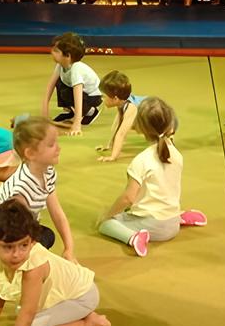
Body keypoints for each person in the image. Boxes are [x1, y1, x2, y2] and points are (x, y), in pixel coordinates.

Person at [96, 97, 206, 257]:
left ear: (140, 128)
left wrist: (107, 214)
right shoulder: (175, 153)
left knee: (105, 224)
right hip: (172, 222)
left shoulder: (141, 160)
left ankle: (133, 237)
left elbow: (128, 198)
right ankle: (180, 217)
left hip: (154, 226)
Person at [0, 116, 77, 284]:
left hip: (19, 228)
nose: (59, 148)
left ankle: (7, 264)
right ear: (30, 153)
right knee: (37, 250)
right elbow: (7, 233)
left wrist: (69, 249)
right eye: (51, 145)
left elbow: (57, 212)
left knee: (47, 237)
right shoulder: (21, 188)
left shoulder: (47, 171)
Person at [41, 32, 102, 136]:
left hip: (92, 97)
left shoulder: (76, 69)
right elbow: (49, 87)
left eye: (56, 51)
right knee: (60, 83)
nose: (52, 52)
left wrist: (76, 124)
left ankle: (90, 111)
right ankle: (74, 112)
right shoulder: (61, 65)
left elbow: (77, 95)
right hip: (80, 92)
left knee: (67, 92)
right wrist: (44, 114)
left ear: (68, 56)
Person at [95, 71, 145, 163]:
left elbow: (122, 133)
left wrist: (113, 156)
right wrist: (110, 145)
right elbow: (117, 125)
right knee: (130, 123)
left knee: (132, 125)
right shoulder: (122, 103)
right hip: (150, 120)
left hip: (165, 123)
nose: (102, 99)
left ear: (115, 99)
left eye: (104, 96)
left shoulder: (131, 107)